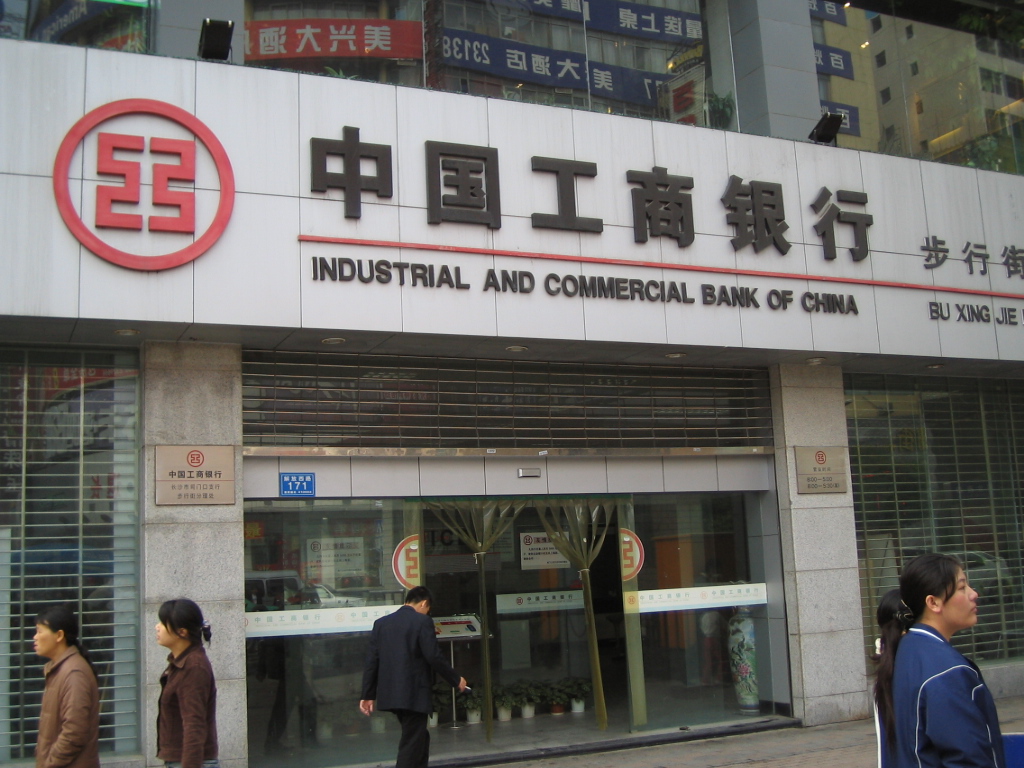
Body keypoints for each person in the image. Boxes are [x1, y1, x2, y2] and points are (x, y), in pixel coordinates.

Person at [874, 553, 1004, 768]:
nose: (974, 594)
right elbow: (967, 758)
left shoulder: (906, 651)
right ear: (933, 602)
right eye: (962, 587)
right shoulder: (946, 671)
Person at [359, 586, 467, 768]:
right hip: (413, 693)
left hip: (391, 693)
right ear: (424, 603)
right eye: (428, 609)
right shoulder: (422, 621)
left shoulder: (382, 623)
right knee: (412, 741)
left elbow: (372, 661)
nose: (427, 613)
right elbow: (433, 656)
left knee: (419, 737)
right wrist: (455, 679)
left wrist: (368, 694)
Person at [34, 605, 100, 768]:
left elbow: (74, 733)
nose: (35, 637)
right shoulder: (60, 669)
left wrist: (50, 763)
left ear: (59, 635)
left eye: (40, 631)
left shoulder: (74, 673)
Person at [155, 599, 219, 768]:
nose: (157, 627)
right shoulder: (181, 661)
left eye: (163, 623)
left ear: (182, 632)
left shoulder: (194, 666)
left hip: (191, 761)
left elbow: (194, 725)